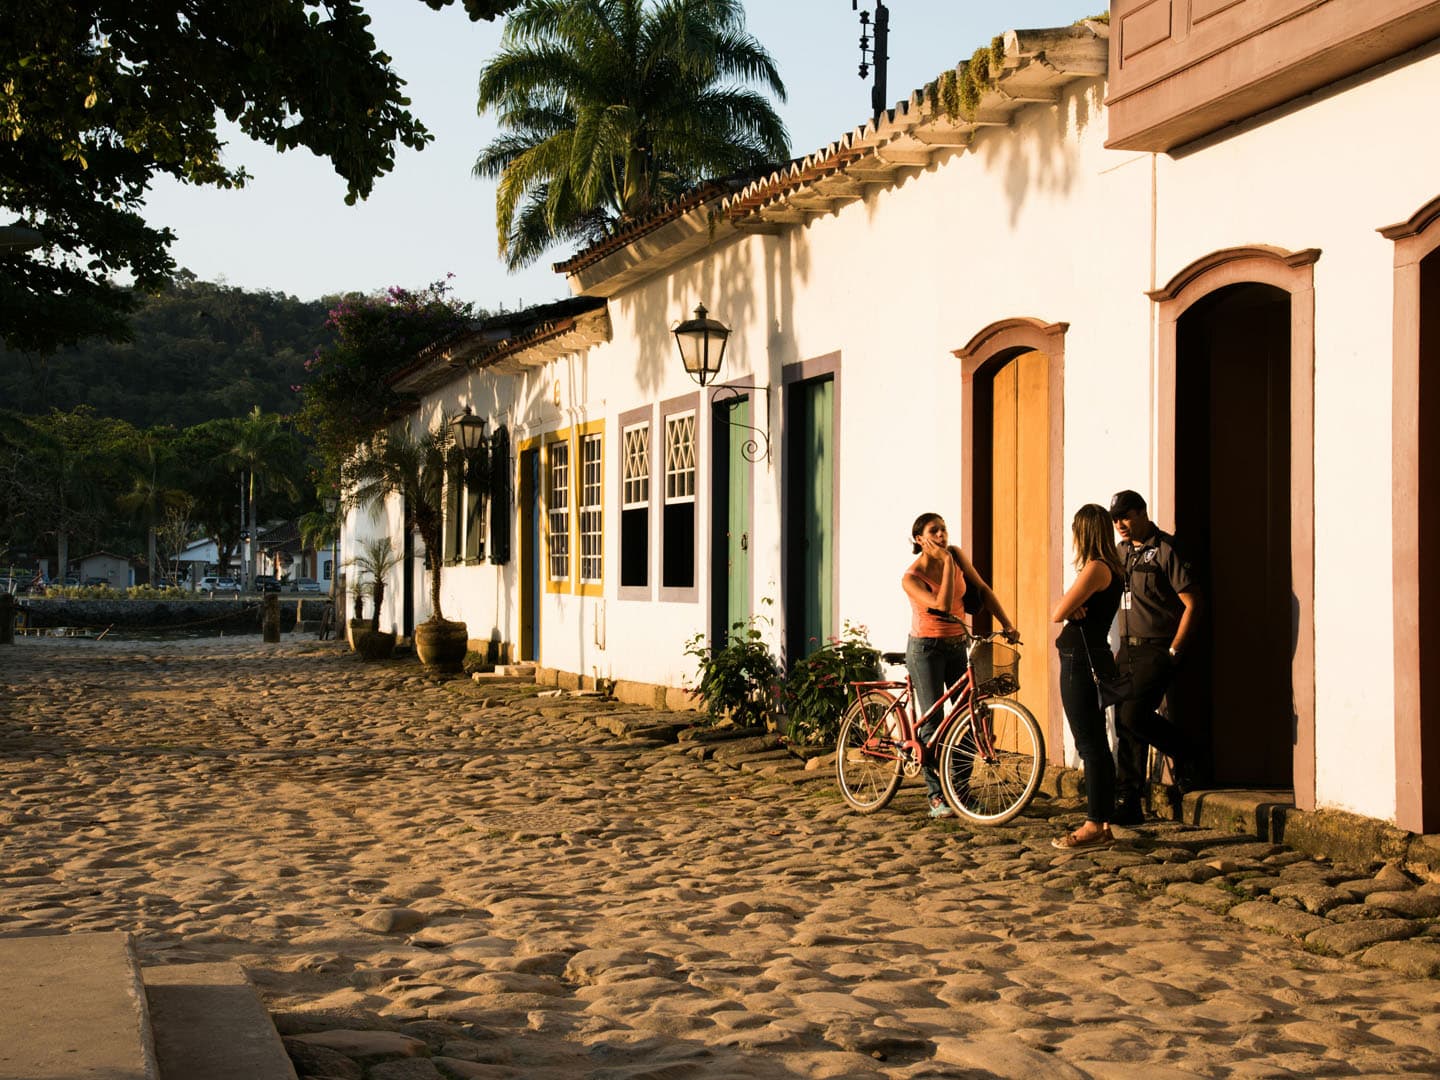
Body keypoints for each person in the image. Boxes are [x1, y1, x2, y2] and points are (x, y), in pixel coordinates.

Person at [901, 512, 1019, 819]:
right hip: (925, 649)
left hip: (957, 644)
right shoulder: (911, 577)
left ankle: (960, 791)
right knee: (934, 722)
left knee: (967, 715)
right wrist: (947, 562)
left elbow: (982, 590)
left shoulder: (955, 555)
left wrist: (1007, 623)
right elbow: (941, 604)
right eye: (934, 531)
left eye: (944, 529)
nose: (942, 535)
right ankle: (936, 796)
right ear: (920, 539)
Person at [1109, 489, 1203, 824]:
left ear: (1142, 512)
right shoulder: (1120, 554)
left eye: (1125, 516)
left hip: (1156, 647)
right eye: (1115, 518)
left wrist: (1175, 649)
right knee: (1125, 725)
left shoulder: (1165, 549)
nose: (1120, 524)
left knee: (1135, 716)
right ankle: (1129, 800)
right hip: (1127, 649)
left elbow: (1192, 603)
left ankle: (1185, 751)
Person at [1050, 504, 1125, 850]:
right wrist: (1075, 604)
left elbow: (1058, 612)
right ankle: (1102, 821)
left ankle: (1095, 824)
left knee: (1089, 744)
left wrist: (1071, 604)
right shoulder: (1113, 567)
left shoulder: (1095, 568)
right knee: (1096, 742)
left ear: (1084, 532)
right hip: (1090, 655)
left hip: (1080, 661)